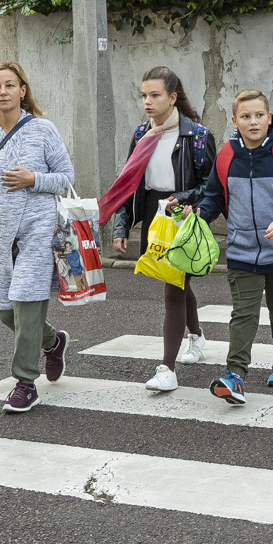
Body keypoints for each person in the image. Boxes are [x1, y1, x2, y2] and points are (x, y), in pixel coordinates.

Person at [0, 62, 76, 413]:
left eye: (10, 85)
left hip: (39, 230)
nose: (2, 91)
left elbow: (66, 177)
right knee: (7, 313)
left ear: (23, 90)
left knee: (25, 300)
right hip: (1, 237)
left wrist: (33, 179)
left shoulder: (43, 129)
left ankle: (24, 383)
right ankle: (52, 342)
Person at [180, 89, 273, 405]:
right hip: (241, 252)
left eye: (258, 115)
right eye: (246, 116)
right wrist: (199, 213)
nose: (253, 122)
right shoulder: (227, 156)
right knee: (243, 314)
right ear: (234, 120)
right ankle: (235, 375)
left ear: (269, 117)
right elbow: (214, 197)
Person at [106, 67, 218, 392]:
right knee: (178, 282)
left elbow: (211, 184)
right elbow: (128, 182)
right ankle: (196, 336)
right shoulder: (142, 133)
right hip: (154, 214)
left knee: (174, 289)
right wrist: (122, 225)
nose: (147, 102)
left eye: (155, 95)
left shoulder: (197, 136)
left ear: (172, 97)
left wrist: (181, 199)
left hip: (181, 216)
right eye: (143, 95)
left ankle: (167, 369)